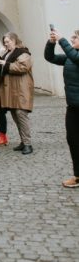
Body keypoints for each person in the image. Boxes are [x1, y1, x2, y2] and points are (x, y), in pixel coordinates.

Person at [44, 29, 79, 187]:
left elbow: (75, 57)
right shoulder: (70, 57)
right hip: (73, 107)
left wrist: (62, 40)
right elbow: (50, 57)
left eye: (75, 37)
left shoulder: (74, 56)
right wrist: (51, 43)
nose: (72, 39)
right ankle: (78, 176)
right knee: (73, 140)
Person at [0, 32, 34, 155]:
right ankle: (23, 141)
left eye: (8, 41)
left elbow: (23, 67)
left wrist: (6, 64)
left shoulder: (23, 52)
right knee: (15, 115)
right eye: (5, 42)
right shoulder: (7, 53)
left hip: (21, 88)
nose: (6, 44)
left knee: (21, 114)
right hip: (12, 90)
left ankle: (28, 144)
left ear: (14, 40)